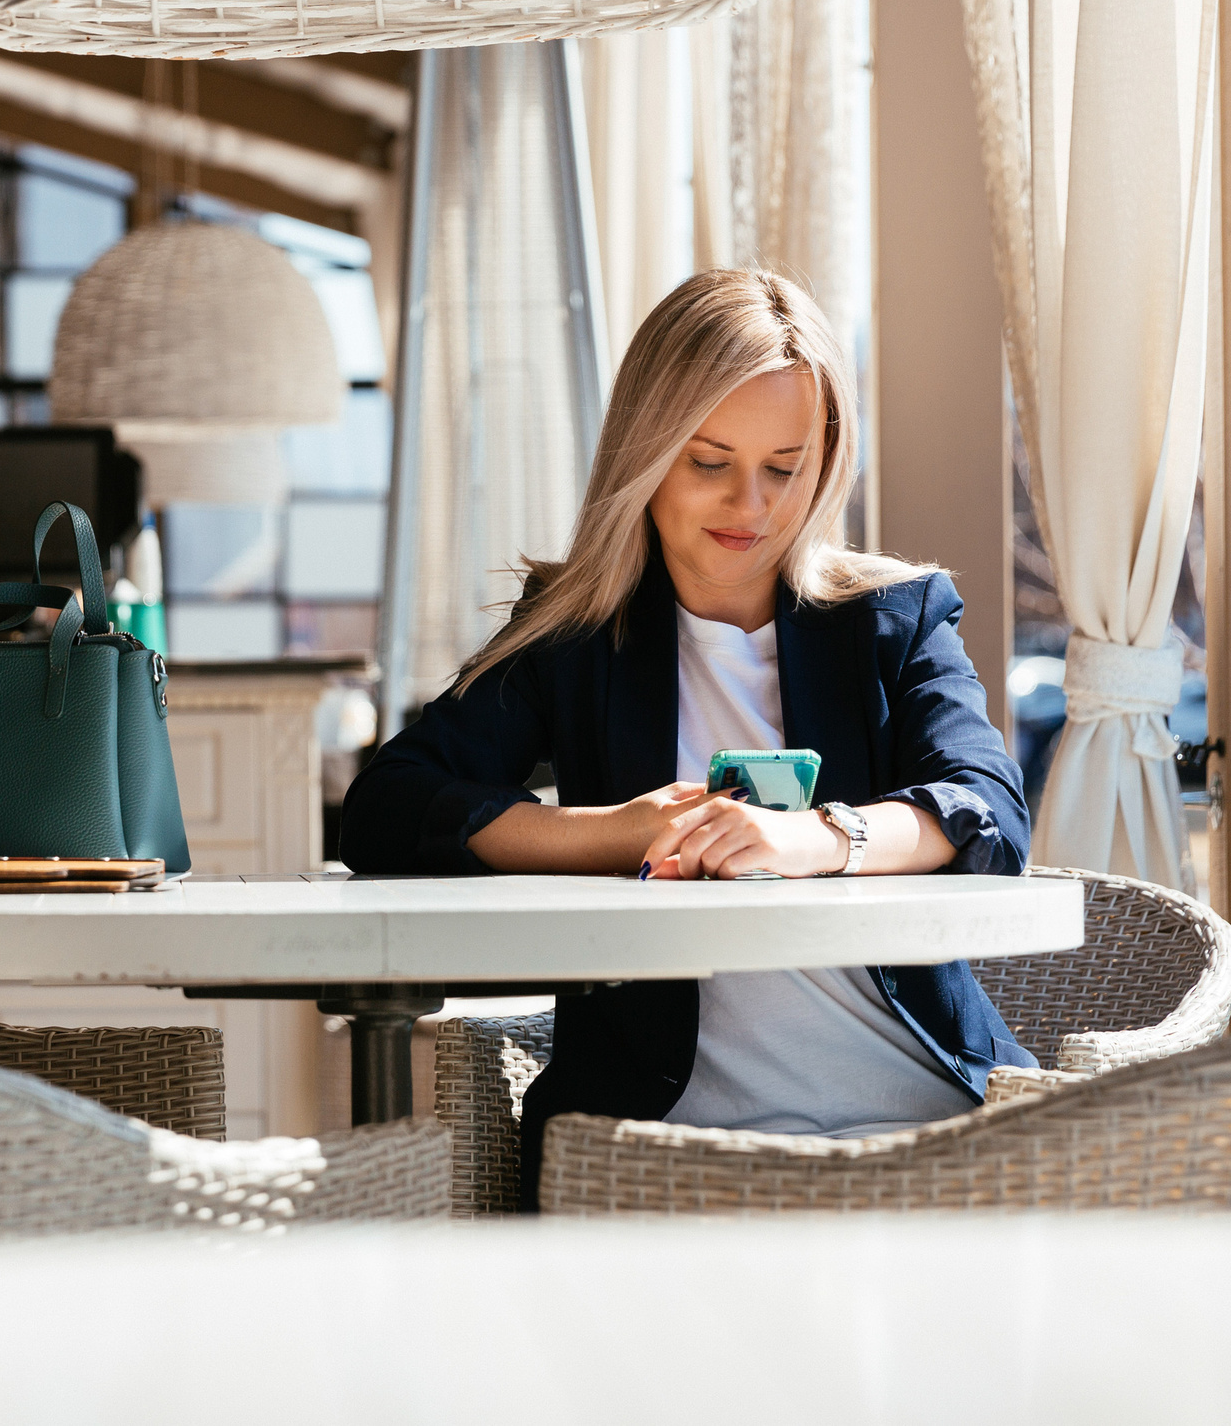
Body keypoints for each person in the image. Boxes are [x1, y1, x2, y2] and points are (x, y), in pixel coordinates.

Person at [341, 268, 1035, 1211]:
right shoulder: (575, 634)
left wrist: (822, 840)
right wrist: (612, 834)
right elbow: (386, 807)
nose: (749, 505)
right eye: (709, 462)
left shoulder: (895, 619)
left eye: (784, 467)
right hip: (665, 1141)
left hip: (923, 1115)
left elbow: (989, 808)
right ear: (646, 454)